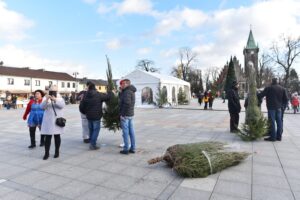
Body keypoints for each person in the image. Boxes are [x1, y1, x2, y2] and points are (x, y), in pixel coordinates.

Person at [79, 82, 112, 150]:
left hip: (88, 116)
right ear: (94, 88)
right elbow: (107, 97)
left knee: (91, 130)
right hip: (96, 116)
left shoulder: (85, 95)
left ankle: (92, 142)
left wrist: (85, 112)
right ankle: (92, 144)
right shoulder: (98, 94)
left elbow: (82, 106)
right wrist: (110, 92)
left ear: (88, 88)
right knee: (96, 130)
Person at [40, 85, 65, 160]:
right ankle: (46, 153)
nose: (52, 92)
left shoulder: (60, 98)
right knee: (48, 137)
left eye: (54, 91)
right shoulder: (45, 97)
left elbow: (62, 106)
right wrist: (46, 100)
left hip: (57, 120)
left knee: (57, 136)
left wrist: (55, 100)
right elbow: (42, 107)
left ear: (57, 91)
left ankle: (57, 151)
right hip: (48, 120)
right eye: (51, 90)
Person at [119, 79, 137, 154]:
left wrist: (122, 114)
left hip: (126, 115)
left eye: (123, 84)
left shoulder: (127, 92)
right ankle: (133, 148)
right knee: (131, 132)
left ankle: (126, 148)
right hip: (130, 114)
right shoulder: (131, 91)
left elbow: (127, 103)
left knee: (126, 132)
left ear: (127, 84)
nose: (121, 85)